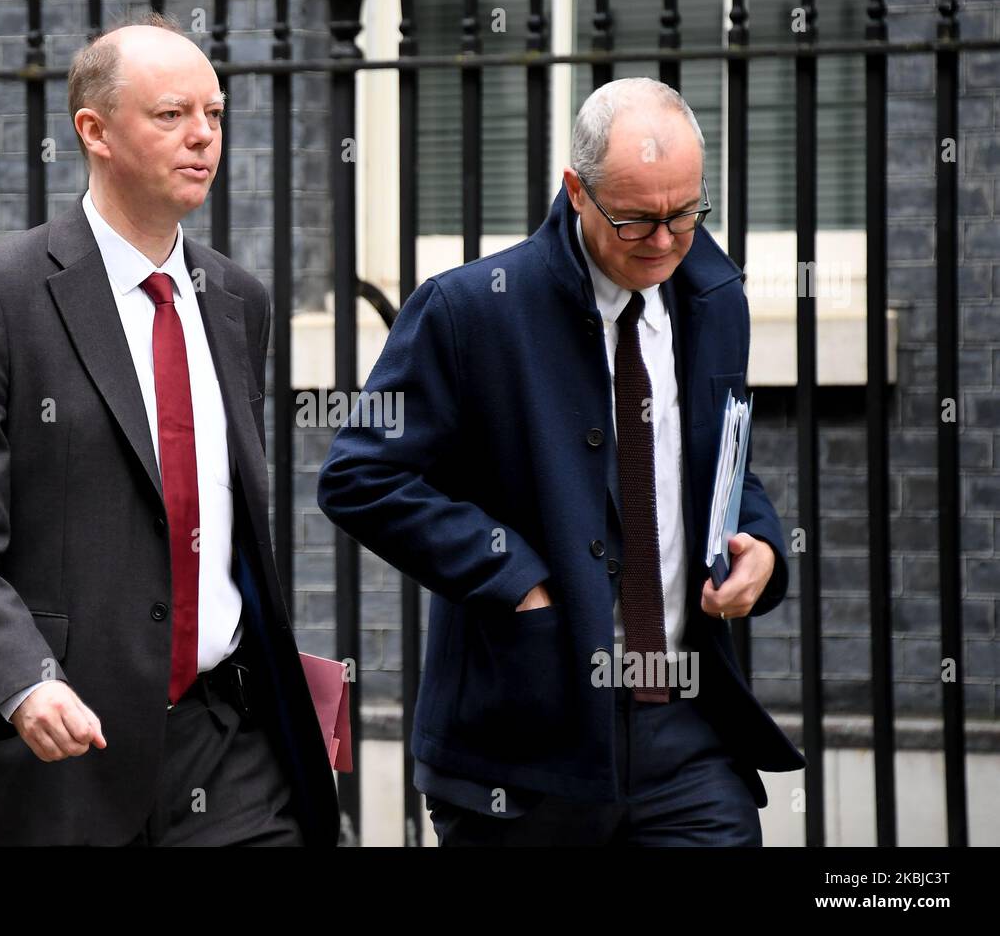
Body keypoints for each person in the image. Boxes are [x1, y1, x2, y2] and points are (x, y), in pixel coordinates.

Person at [317, 77, 804, 846]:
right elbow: (359, 476)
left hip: (689, 735)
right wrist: (514, 577)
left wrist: (763, 543)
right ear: (576, 191)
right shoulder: (470, 308)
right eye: (638, 219)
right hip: (524, 747)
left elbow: (720, 459)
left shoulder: (714, 296)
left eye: (686, 213)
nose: (667, 241)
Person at [0, 14, 338, 846]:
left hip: (227, 747)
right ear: (94, 132)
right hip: (58, 747)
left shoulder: (239, 300)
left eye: (214, 114)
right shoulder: (1, 292)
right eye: (172, 115)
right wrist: (24, 682)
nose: (203, 137)